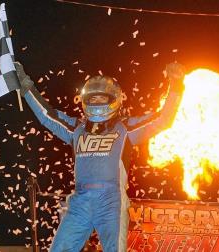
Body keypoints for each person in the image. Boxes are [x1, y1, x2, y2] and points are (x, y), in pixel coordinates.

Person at [15, 62, 185, 252]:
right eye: (93, 99)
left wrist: (176, 85)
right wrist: (25, 85)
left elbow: (163, 119)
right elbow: (47, 115)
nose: (96, 103)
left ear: (115, 99)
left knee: (115, 249)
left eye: (101, 98)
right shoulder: (76, 128)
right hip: (80, 200)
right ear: (85, 100)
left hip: (112, 199)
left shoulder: (125, 128)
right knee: (59, 249)